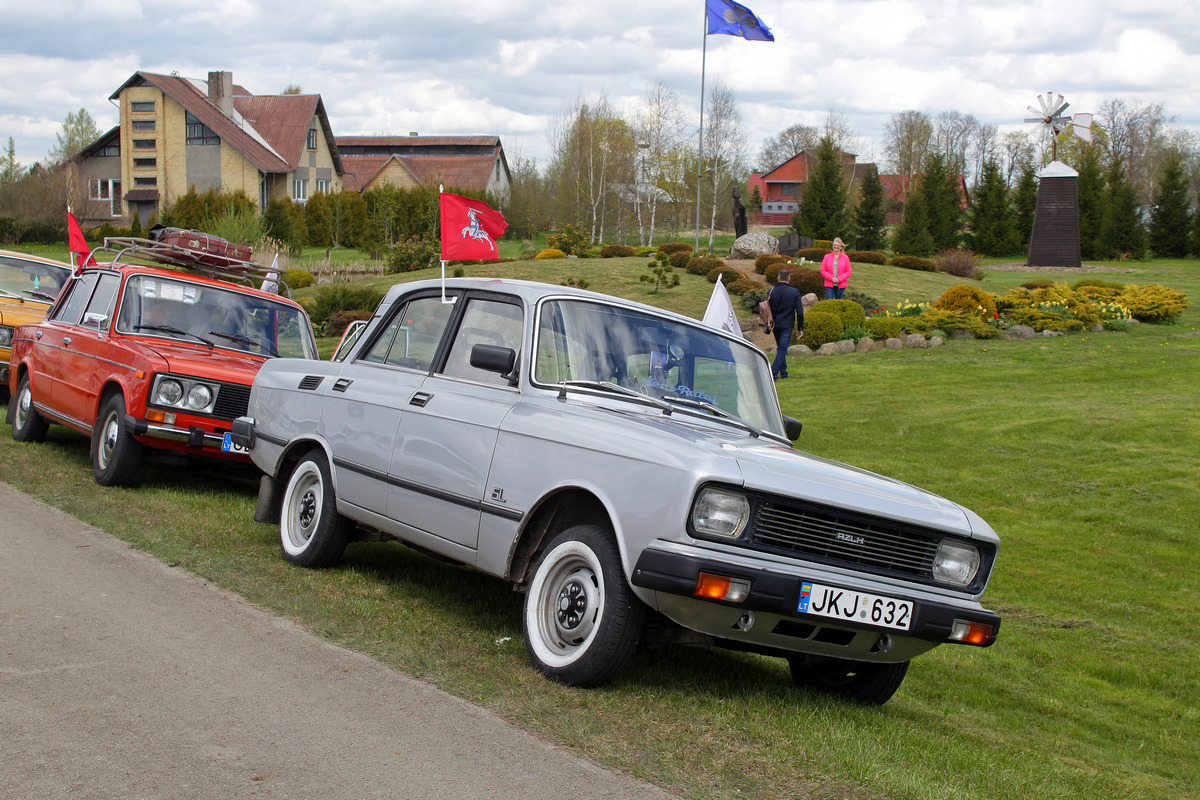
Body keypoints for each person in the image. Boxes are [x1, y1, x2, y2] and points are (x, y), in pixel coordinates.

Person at [767, 269, 803, 381]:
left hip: (775, 324)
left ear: (778, 278)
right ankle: (773, 373)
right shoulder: (794, 292)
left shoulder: (771, 291)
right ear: (789, 278)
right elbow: (800, 312)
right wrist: (800, 328)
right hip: (787, 324)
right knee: (782, 349)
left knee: (780, 348)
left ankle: (784, 372)